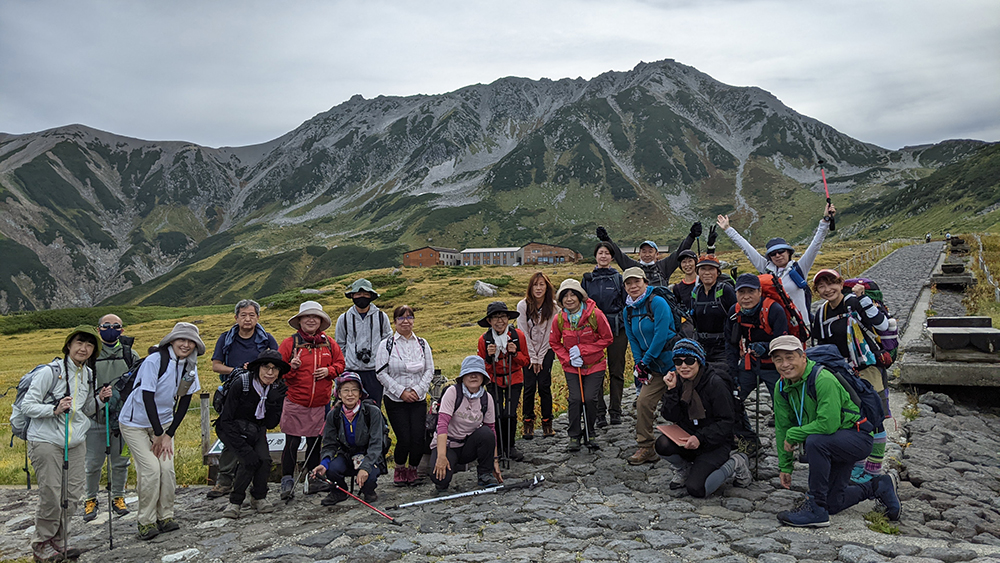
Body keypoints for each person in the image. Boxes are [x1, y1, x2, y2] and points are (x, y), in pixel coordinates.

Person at [769, 336, 900, 527]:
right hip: (832, 443)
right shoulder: (781, 387)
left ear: (803, 357)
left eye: (790, 358)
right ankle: (877, 486)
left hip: (856, 438)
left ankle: (816, 508)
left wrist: (794, 434)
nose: (785, 364)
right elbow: (782, 426)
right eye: (778, 359)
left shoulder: (822, 379)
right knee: (834, 502)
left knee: (815, 441)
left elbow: (827, 424)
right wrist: (785, 466)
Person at [22, 326, 102, 561]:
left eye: (89, 345)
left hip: (76, 441)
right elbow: (28, 405)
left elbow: (85, 410)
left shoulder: (87, 374)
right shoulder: (50, 372)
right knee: (51, 495)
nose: (83, 348)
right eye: (79, 343)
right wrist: (53, 409)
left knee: (73, 495)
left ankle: (59, 542)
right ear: (69, 345)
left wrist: (99, 399)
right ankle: (41, 544)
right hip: (46, 441)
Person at [118, 322, 203, 541]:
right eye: (181, 339)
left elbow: (184, 401)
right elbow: (147, 396)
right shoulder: (155, 360)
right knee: (151, 470)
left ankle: (165, 515)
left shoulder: (190, 367)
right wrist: (158, 433)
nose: (185, 345)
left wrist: (168, 434)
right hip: (134, 422)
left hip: (164, 424)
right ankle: (145, 521)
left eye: (190, 341)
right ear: (171, 341)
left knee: (167, 469)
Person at [811, 269, 890, 484]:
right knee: (851, 417)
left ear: (840, 283)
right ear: (817, 290)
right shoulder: (820, 312)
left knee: (875, 416)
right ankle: (857, 464)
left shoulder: (855, 302)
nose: (827, 290)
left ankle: (873, 469)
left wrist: (863, 299)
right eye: (821, 286)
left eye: (831, 284)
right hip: (839, 372)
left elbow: (882, 325)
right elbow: (819, 344)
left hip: (866, 368)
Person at [654, 339, 752, 497]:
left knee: (697, 489)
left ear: (699, 361)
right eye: (678, 361)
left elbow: (727, 421)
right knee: (662, 444)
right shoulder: (679, 381)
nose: (684, 366)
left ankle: (736, 462)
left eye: (689, 361)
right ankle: (684, 469)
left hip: (715, 443)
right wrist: (671, 390)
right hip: (689, 438)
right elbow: (670, 415)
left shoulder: (715, 384)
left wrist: (700, 438)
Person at [207, 299, 280, 500]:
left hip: (260, 395)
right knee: (231, 436)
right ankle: (225, 480)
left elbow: (276, 362)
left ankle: (254, 482)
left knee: (257, 435)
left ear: (258, 317)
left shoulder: (266, 339)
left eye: (252, 315)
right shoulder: (226, 339)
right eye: (243, 315)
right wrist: (240, 372)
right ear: (236, 317)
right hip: (233, 393)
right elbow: (216, 365)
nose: (247, 319)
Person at [717, 203, 835, 319]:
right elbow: (747, 249)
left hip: (799, 326)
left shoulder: (800, 268)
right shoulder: (765, 269)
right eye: (773, 253)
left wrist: (825, 221)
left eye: (781, 251)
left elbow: (815, 245)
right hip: (772, 326)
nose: (778, 255)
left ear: (789, 253)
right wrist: (728, 229)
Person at [278, 301, 346, 500]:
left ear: (320, 321)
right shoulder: (289, 343)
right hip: (295, 402)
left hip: (320, 404)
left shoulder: (329, 343)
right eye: (307, 316)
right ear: (299, 320)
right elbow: (277, 371)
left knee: (315, 443)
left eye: (315, 317)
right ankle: (287, 480)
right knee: (291, 442)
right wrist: (292, 367)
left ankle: (313, 479)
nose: (311, 320)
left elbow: (341, 364)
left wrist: (329, 371)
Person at [218, 350, 289, 519]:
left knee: (264, 460)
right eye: (266, 367)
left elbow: (271, 423)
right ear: (257, 368)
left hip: (256, 429)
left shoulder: (277, 389)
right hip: (231, 428)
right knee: (248, 460)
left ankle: (259, 497)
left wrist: (271, 402)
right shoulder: (241, 384)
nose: (270, 373)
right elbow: (225, 419)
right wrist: (241, 446)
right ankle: (235, 502)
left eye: (275, 369)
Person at [83, 315, 138, 522]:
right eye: (107, 326)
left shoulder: (129, 354)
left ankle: (118, 497)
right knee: (93, 463)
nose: (111, 329)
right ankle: (90, 499)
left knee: (121, 461)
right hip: (95, 417)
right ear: (98, 329)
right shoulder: (91, 354)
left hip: (122, 419)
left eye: (116, 326)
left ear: (122, 330)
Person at [622, 267, 678, 465]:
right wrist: (639, 364)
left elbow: (661, 335)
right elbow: (633, 339)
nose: (633, 286)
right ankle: (646, 446)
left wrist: (645, 362)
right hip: (652, 367)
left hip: (674, 364)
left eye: (636, 281)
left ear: (645, 282)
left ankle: (689, 442)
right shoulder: (627, 311)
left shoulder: (658, 303)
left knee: (683, 403)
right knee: (643, 403)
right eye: (628, 283)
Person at [549, 279, 613, 451]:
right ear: (560, 300)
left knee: (591, 398)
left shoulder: (595, 315)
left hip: (595, 364)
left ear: (580, 297)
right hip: (572, 367)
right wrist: (568, 358)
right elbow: (554, 342)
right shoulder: (559, 319)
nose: (569, 299)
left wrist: (583, 350)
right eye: (565, 296)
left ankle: (590, 433)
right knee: (576, 399)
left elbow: (607, 338)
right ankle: (574, 436)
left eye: (573, 295)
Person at [375, 305, 435, 487]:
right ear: (395, 322)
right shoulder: (386, 345)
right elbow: (380, 372)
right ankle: (400, 468)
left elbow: (429, 369)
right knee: (404, 437)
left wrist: (417, 390)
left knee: (418, 437)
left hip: (418, 398)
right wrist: (401, 391)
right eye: (401, 318)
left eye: (409, 317)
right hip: (395, 399)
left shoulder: (422, 344)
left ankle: (413, 469)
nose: (406, 321)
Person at [312, 373, 386, 505]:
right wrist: (324, 463)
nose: (350, 394)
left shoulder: (372, 412)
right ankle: (339, 492)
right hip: (345, 453)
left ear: (360, 393)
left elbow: (376, 443)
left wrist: (365, 466)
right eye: (345, 390)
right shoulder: (334, 414)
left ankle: (368, 491)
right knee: (332, 469)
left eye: (354, 390)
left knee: (370, 475)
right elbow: (329, 443)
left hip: (367, 454)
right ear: (339, 394)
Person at [430, 356, 502, 491]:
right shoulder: (453, 392)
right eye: (469, 373)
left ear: (483, 377)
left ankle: (484, 474)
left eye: (477, 373)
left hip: (468, 445)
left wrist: (495, 461)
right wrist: (441, 456)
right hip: (448, 445)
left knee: (486, 433)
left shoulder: (487, 398)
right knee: (439, 479)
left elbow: (491, 429)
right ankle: (447, 473)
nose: (473, 376)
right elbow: (442, 425)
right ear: (462, 377)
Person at [476, 301, 530, 462]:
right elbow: (482, 367)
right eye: (495, 318)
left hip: (515, 378)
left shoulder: (517, 336)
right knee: (497, 413)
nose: (500, 321)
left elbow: (525, 361)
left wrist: (515, 354)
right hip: (494, 381)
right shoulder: (484, 340)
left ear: (508, 318)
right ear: (489, 321)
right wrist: (488, 357)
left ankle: (510, 446)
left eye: (503, 317)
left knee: (510, 413)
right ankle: (498, 447)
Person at [582, 242, 628, 427]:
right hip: (594, 333)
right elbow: (581, 305)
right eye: (600, 253)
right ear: (595, 256)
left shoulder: (618, 278)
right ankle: (599, 412)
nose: (604, 256)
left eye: (607, 253)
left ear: (612, 257)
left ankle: (615, 411)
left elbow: (627, 304)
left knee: (617, 371)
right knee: (596, 372)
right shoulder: (587, 279)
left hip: (618, 331)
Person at [726, 274, 789, 403]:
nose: (746, 297)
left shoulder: (774, 310)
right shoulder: (735, 311)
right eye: (741, 292)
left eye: (751, 291)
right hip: (751, 363)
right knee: (732, 400)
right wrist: (732, 373)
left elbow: (782, 343)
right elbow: (730, 344)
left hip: (775, 366)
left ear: (760, 291)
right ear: (736, 293)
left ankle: (780, 419)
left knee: (783, 403)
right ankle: (739, 422)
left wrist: (765, 348)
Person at [335, 279, 392, 407]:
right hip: (351, 371)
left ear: (371, 296)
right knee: (351, 407)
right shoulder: (344, 318)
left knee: (374, 407)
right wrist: (346, 362)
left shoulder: (381, 317)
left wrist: (383, 363)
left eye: (365, 294)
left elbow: (388, 342)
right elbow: (340, 345)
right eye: (358, 294)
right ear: (352, 296)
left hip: (375, 372)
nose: (361, 297)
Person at [515, 272, 557, 439]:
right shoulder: (523, 306)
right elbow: (523, 333)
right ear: (530, 287)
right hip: (527, 350)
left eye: (542, 284)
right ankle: (528, 421)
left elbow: (549, 333)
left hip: (547, 349)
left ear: (547, 287)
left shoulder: (553, 307)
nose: (538, 288)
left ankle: (547, 422)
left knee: (545, 385)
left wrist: (540, 358)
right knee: (529, 386)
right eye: (535, 285)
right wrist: (533, 357)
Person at [595, 223, 701, 287]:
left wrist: (691, 236)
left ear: (657, 254)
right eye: (644, 251)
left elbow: (680, 252)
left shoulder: (664, 266)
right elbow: (618, 254)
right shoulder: (632, 266)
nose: (647, 254)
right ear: (639, 253)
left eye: (650, 251)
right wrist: (606, 239)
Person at [690, 255, 737, 364]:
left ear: (718, 272)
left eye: (711, 269)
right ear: (698, 272)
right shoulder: (696, 292)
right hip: (701, 347)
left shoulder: (725, 290)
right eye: (703, 269)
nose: (707, 273)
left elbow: (736, 316)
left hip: (723, 348)